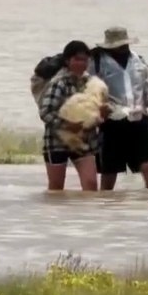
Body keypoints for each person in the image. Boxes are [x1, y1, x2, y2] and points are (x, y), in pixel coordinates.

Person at [89, 26, 148, 191]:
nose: (123, 49)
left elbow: (147, 95)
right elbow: (88, 92)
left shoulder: (139, 62)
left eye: (124, 45)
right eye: (119, 46)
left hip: (139, 122)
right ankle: (106, 205)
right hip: (112, 123)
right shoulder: (96, 63)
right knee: (109, 172)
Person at [37, 40, 105, 192]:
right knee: (56, 189)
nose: (81, 63)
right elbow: (45, 112)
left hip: (84, 141)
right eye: (77, 59)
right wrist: (67, 125)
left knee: (91, 185)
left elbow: (96, 109)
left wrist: (102, 114)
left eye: (84, 60)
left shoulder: (92, 83)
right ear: (67, 61)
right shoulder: (59, 83)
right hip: (57, 141)